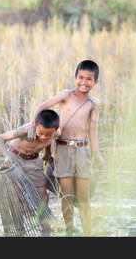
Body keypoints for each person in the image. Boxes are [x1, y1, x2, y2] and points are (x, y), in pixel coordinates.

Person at [32, 59, 101, 236]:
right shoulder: (65, 95)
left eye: (89, 79)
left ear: (95, 82)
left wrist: (96, 153)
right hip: (62, 150)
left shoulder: (94, 104)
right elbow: (41, 107)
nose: (84, 82)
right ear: (75, 77)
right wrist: (35, 127)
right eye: (80, 77)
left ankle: (88, 232)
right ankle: (69, 230)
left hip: (82, 150)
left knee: (84, 197)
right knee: (67, 195)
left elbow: (93, 130)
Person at [0, 109, 60, 203]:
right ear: (35, 125)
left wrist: (48, 154)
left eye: (48, 134)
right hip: (15, 159)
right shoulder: (26, 130)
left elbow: (49, 141)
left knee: (42, 193)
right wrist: (7, 157)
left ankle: (42, 216)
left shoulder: (56, 133)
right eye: (41, 133)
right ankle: (18, 216)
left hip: (34, 161)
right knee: (17, 193)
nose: (43, 137)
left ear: (55, 131)